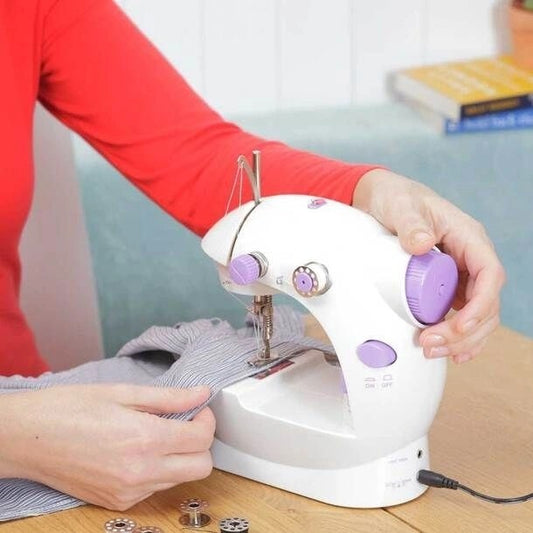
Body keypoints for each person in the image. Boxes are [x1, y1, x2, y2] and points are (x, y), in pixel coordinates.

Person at [0, 0, 505, 513]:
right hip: (42, 437)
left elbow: (196, 158)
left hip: (43, 410)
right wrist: (14, 436)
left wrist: (378, 192)